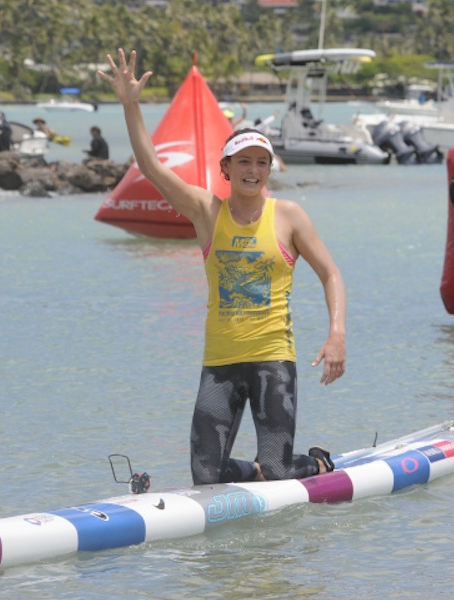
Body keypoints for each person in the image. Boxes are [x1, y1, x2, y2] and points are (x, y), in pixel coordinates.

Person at [100, 48, 346, 485]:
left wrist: (336, 336)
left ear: (269, 169)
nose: (253, 170)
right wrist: (130, 103)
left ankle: (314, 463)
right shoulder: (206, 212)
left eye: (261, 162)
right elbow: (151, 167)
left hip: (273, 360)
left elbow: (331, 274)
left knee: (277, 469)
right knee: (206, 475)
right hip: (220, 361)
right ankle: (257, 470)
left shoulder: (288, 216)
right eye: (244, 161)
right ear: (226, 169)